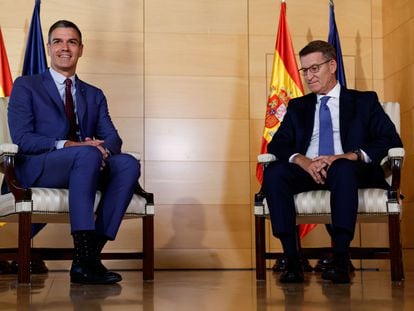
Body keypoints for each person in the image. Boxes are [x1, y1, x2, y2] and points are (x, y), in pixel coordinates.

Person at [7, 20, 140, 284]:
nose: (64, 48)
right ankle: (85, 255)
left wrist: (100, 147)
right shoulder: (27, 86)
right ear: (48, 48)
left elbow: (114, 138)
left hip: (87, 164)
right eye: (58, 41)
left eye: (72, 42)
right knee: (86, 154)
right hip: (40, 168)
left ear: (81, 49)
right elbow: (23, 139)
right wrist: (70, 146)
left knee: (127, 164)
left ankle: (86, 258)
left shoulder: (94, 94)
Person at [263, 40, 403, 284]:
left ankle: (340, 257)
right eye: (304, 70)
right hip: (309, 171)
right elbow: (278, 144)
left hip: (349, 170)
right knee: (275, 173)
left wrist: (349, 155)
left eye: (314, 68)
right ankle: (292, 259)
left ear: (332, 65)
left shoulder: (364, 101)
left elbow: (389, 139)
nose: (309, 76)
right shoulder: (298, 106)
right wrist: (303, 161)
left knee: (342, 168)